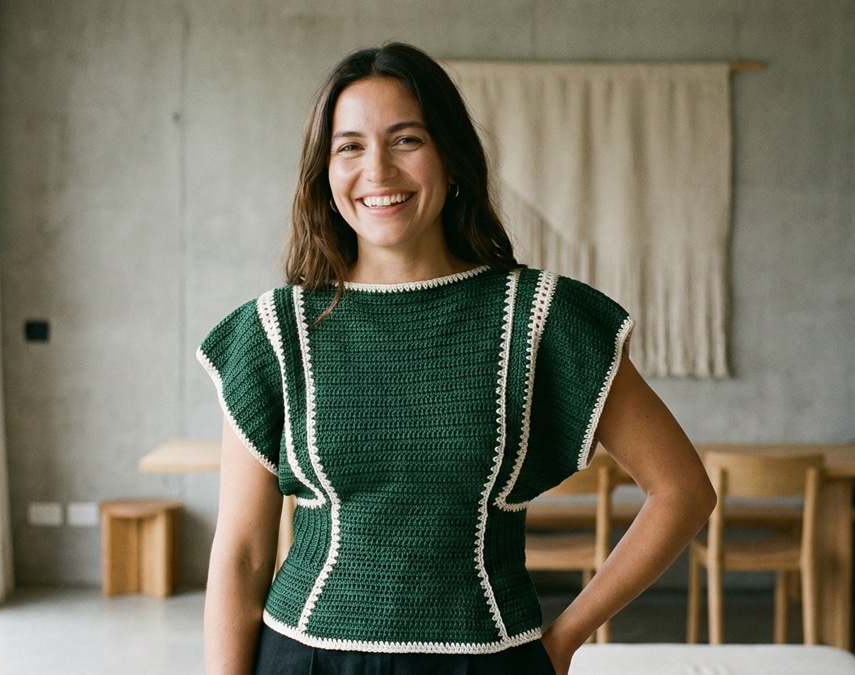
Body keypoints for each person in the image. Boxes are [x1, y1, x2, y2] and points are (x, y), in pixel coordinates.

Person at [198, 42, 716, 675]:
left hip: (488, 660)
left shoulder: (541, 318)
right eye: (350, 146)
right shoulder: (274, 332)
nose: (378, 170)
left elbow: (683, 491)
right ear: (324, 173)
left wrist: (564, 640)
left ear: (452, 159)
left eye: (406, 139)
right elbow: (244, 554)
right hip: (304, 659)